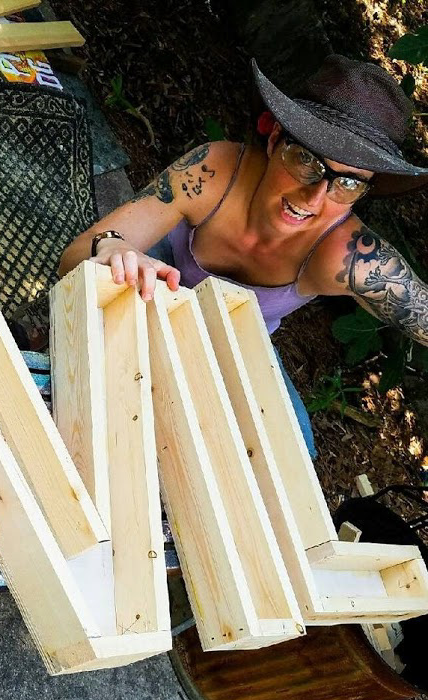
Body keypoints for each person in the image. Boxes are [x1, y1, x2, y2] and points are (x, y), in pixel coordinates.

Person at [59, 55, 428, 457]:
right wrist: (113, 248)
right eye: (307, 161)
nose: (315, 198)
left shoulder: (347, 255)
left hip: (234, 337)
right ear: (274, 139)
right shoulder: (213, 171)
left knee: (294, 446)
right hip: (155, 283)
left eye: (349, 184)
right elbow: (72, 260)